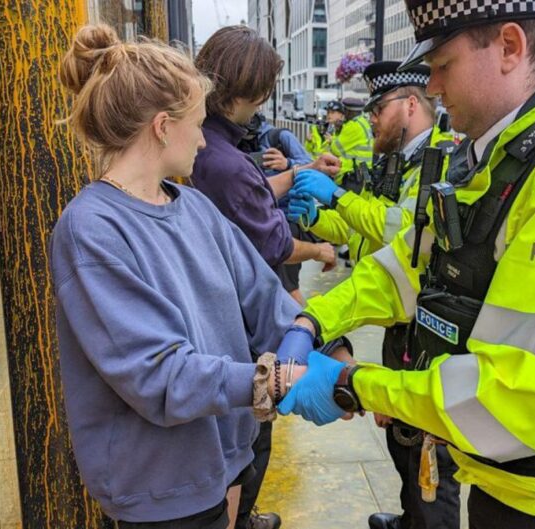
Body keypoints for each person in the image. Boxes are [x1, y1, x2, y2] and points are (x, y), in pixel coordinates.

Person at [277, 1, 535, 528]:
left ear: (510, 48)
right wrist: (315, 321)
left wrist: (354, 384)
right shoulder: (496, 158)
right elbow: (405, 269)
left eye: (442, 66)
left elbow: (517, 397)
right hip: (516, 485)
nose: (434, 89)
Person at [51, 24, 313, 529]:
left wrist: (309, 333)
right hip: (158, 486)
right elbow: (157, 374)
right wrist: (273, 380)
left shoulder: (191, 204)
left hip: (222, 458)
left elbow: (262, 295)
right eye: (196, 123)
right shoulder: (90, 229)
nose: (203, 137)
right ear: (163, 126)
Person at [287, 61, 460, 529]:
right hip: (396, 318)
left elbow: (404, 231)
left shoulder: (443, 160)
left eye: (380, 109)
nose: (373, 120)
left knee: (430, 453)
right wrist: (318, 218)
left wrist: (338, 198)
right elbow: (361, 235)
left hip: (429, 320)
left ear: (409, 104)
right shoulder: (396, 163)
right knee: (401, 434)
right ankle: (410, 519)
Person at [190, 25, 340, 529]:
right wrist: (318, 249)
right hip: (237, 327)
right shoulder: (218, 157)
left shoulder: (211, 148)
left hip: (221, 317)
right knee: (250, 438)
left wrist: (294, 175)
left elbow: (246, 194)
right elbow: (268, 244)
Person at [239, 113, 315, 306]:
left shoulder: (280, 137)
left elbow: (312, 166)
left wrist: (287, 164)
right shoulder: (233, 144)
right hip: (259, 221)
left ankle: (309, 329)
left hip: (288, 219)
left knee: (290, 289)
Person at [322, 98, 374, 189]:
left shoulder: (352, 126)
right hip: (363, 172)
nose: (344, 114)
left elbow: (336, 149)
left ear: (350, 112)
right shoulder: (363, 122)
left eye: (345, 110)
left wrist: (331, 140)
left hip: (352, 174)